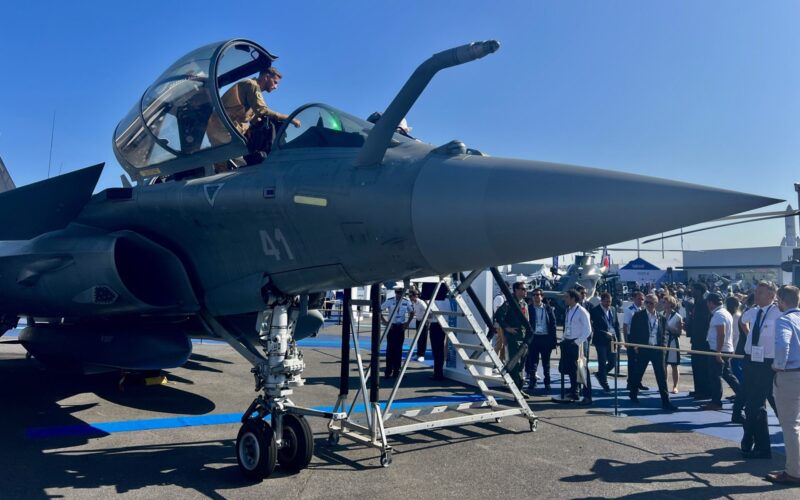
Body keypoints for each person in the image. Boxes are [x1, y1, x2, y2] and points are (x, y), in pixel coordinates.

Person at [206, 68, 301, 173]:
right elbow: (262, 110)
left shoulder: (251, 88)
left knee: (232, 163)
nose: (276, 87)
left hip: (225, 127)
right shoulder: (252, 85)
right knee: (237, 166)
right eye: (275, 82)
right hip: (222, 128)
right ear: (266, 77)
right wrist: (290, 118)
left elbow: (254, 116)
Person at [741, 281, 781, 458]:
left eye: (760, 293)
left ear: (772, 296)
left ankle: (750, 440)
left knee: (755, 405)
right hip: (751, 361)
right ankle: (760, 444)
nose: (756, 295)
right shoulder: (755, 311)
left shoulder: (778, 312)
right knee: (756, 406)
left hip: (768, 363)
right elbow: (743, 321)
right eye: (756, 291)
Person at [767, 285, 800, 485]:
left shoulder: (784, 320)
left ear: (781, 300)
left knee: (790, 426)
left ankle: (794, 472)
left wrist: (778, 365)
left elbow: (782, 345)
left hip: (791, 375)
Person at [628, 294, 676, 411]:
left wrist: (664, 345)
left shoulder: (661, 318)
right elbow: (633, 332)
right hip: (643, 348)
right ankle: (633, 393)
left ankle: (666, 401)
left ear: (656, 304)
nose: (648, 305)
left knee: (661, 376)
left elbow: (665, 333)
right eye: (647, 302)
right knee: (638, 373)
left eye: (651, 303)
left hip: (657, 350)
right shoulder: (638, 316)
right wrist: (635, 346)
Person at [702, 292, 740, 411]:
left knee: (715, 377)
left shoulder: (718, 314)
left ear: (710, 302)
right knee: (728, 375)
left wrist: (717, 352)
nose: (707, 305)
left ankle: (716, 402)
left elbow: (721, 334)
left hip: (718, 349)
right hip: (725, 348)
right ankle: (743, 395)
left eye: (708, 302)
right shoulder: (725, 313)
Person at [495, 282, 530, 395]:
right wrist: (507, 328)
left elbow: (527, 320)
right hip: (513, 337)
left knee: (522, 364)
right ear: (516, 290)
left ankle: (518, 388)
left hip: (524, 337)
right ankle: (517, 390)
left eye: (526, 289)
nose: (525, 291)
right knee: (514, 363)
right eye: (523, 289)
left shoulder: (524, 304)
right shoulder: (509, 303)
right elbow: (498, 316)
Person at [559, 289, 592, 404]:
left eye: (567, 297)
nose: (565, 299)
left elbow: (588, 330)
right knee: (572, 370)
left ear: (573, 298)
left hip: (577, 344)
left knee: (582, 369)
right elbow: (568, 326)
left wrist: (577, 342)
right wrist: (563, 339)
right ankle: (574, 391)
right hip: (568, 342)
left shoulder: (582, 311)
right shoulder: (569, 310)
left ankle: (588, 396)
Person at [525, 287, 557, 393]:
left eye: (538, 294)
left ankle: (547, 382)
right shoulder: (529, 308)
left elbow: (553, 324)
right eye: (534, 295)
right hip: (534, 338)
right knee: (532, 362)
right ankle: (532, 381)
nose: (536, 297)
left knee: (546, 363)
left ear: (542, 296)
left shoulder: (548, 308)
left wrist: (553, 340)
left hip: (545, 338)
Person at [380, 287, 414, 379]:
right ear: (395, 293)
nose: (399, 294)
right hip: (392, 327)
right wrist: (385, 322)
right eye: (397, 292)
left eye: (400, 292)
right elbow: (379, 310)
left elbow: (412, 312)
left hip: (400, 327)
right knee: (390, 349)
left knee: (398, 350)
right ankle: (388, 371)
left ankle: (396, 371)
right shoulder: (390, 301)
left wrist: (407, 323)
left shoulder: (406, 301)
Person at [590, 292, 620, 393]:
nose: (608, 303)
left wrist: (619, 340)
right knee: (602, 362)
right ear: (601, 301)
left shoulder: (613, 309)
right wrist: (604, 333)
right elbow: (594, 327)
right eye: (606, 301)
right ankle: (605, 383)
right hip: (601, 340)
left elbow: (616, 325)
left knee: (612, 362)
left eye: (610, 301)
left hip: (612, 340)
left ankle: (600, 374)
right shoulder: (595, 311)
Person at [688, 283, 712, 400]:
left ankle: (704, 391)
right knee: (696, 366)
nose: (691, 291)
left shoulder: (704, 304)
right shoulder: (696, 303)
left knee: (702, 367)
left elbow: (705, 323)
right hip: (695, 340)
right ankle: (698, 389)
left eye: (693, 289)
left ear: (699, 291)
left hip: (702, 342)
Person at [623, 291, 649, 391]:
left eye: (642, 299)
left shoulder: (643, 310)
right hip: (632, 338)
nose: (641, 301)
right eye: (639, 299)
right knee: (632, 362)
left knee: (640, 361)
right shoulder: (629, 310)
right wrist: (626, 341)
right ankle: (630, 382)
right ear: (634, 299)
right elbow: (625, 326)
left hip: (641, 338)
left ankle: (638, 382)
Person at [663, 295, 684, 394]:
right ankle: (664, 385)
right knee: (664, 364)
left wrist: (669, 328)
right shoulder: (660, 314)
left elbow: (679, 333)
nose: (664, 304)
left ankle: (675, 386)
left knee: (674, 365)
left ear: (671, 304)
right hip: (663, 342)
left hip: (673, 342)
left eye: (665, 302)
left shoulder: (677, 316)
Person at [408, 289, 429, 362]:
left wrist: (426, 320)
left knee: (423, 338)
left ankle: (422, 355)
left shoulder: (421, 303)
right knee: (418, 338)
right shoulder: (414, 303)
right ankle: (418, 353)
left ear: (415, 296)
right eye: (409, 296)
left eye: (411, 296)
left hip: (424, 322)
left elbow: (428, 311)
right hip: (418, 321)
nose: (410, 298)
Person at [492, 282, 510, 363]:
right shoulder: (499, 298)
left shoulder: (505, 297)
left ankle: (501, 360)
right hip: (500, 324)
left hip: (505, 324)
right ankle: (495, 362)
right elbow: (497, 312)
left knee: (503, 343)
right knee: (499, 343)